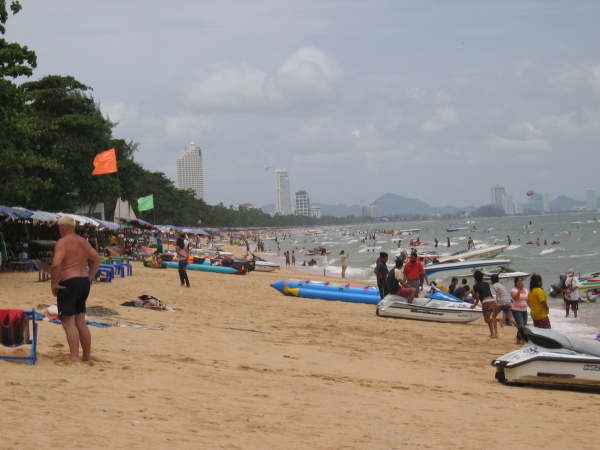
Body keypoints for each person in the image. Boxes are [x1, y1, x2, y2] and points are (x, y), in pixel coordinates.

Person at [51, 215, 101, 362]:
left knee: (68, 321)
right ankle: (86, 356)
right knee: (80, 321)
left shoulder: (63, 242)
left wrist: (54, 283)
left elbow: (55, 264)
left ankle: (74, 357)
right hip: (83, 281)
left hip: (70, 281)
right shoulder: (83, 242)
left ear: (62, 227)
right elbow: (96, 259)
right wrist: (91, 276)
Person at [471, 270, 498, 338]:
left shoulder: (475, 286)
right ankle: (493, 333)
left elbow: (477, 297)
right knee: (489, 318)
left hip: (486, 302)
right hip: (492, 300)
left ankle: (499, 319)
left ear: (475, 278)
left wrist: (475, 305)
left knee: (487, 320)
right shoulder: (486, 283)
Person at [511, 276, 529, 345]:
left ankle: (518, 340)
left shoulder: (526, 290)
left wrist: (531, 308)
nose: (520, 283)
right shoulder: (513, 290)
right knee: (521, 326)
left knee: (523, 326)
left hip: (524, 310)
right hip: (516, 310)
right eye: (518, 281)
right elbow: (515, 298)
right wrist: (519, 290)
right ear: (515, 282)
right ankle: (523, 340)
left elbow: (528, 300)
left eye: (521, 281)